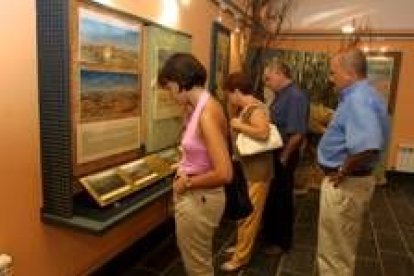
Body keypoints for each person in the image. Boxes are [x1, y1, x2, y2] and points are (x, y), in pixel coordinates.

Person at [158, 53, 233, 276]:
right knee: (196, 261)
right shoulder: (201, 106)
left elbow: (225, 173)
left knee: (197, 268)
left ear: (180, 83)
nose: (170, 94)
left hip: (199, 197)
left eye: (170, 87)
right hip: (201, 197)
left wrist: (187, 183)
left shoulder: (206, 114)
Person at [317, 48, 389, 276]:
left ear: (349, 73)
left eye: (333, 72)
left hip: (345, 183)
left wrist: (342, 169)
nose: (330, 79)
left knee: (335, 253)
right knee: (341, 247)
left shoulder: (358, 98)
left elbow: (368, 145)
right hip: (352, 181)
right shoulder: (365, 94)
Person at [220, 72, 274, 272]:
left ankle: (241, 258)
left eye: (229, 94)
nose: (228, 99)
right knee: (244, 213)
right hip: (249, 170)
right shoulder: (246, 108)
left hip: (258, 172)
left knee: (249, 217)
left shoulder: (255, 108)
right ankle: (240, 247)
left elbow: (263, 132)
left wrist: (239, 125)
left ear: (236, 91)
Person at [262, 59, 310, 254]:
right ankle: (271, 237)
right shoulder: (281, 94)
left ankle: (281, 243)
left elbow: (298, 133)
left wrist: (284, 157)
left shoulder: (295, 96)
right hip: (277, 153)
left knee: (282, 199)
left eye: (269, 77)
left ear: (280, 73)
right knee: (274, 197)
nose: (266, 82)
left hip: (284, 155)